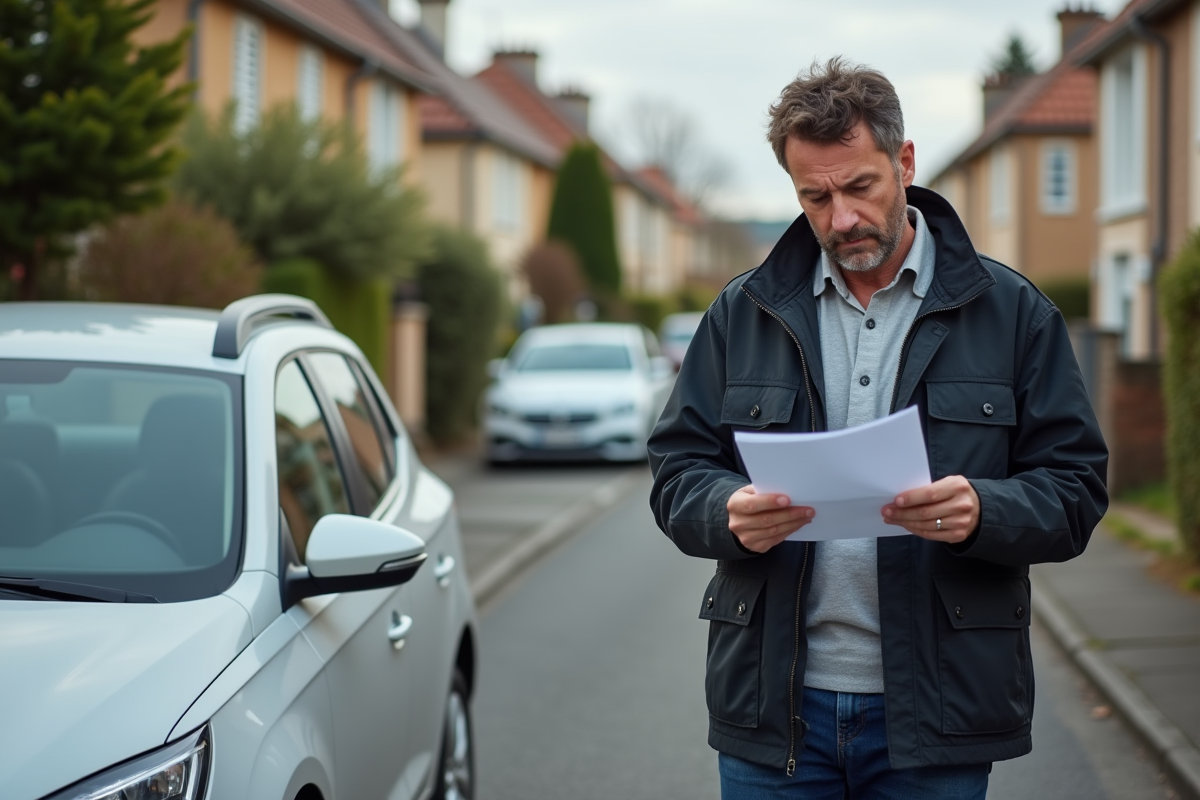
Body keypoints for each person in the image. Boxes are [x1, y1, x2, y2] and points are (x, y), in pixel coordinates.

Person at [647, 57, 1108, 800]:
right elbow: (677, 470)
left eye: (859, 187)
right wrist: (726, 512)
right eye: (814, 197)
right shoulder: (743, 312)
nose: (841, 219)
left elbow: (1076, 491)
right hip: (773, 715)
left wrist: (983, 511)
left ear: (904, 162)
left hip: (937, 714)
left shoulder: (1015, 313)